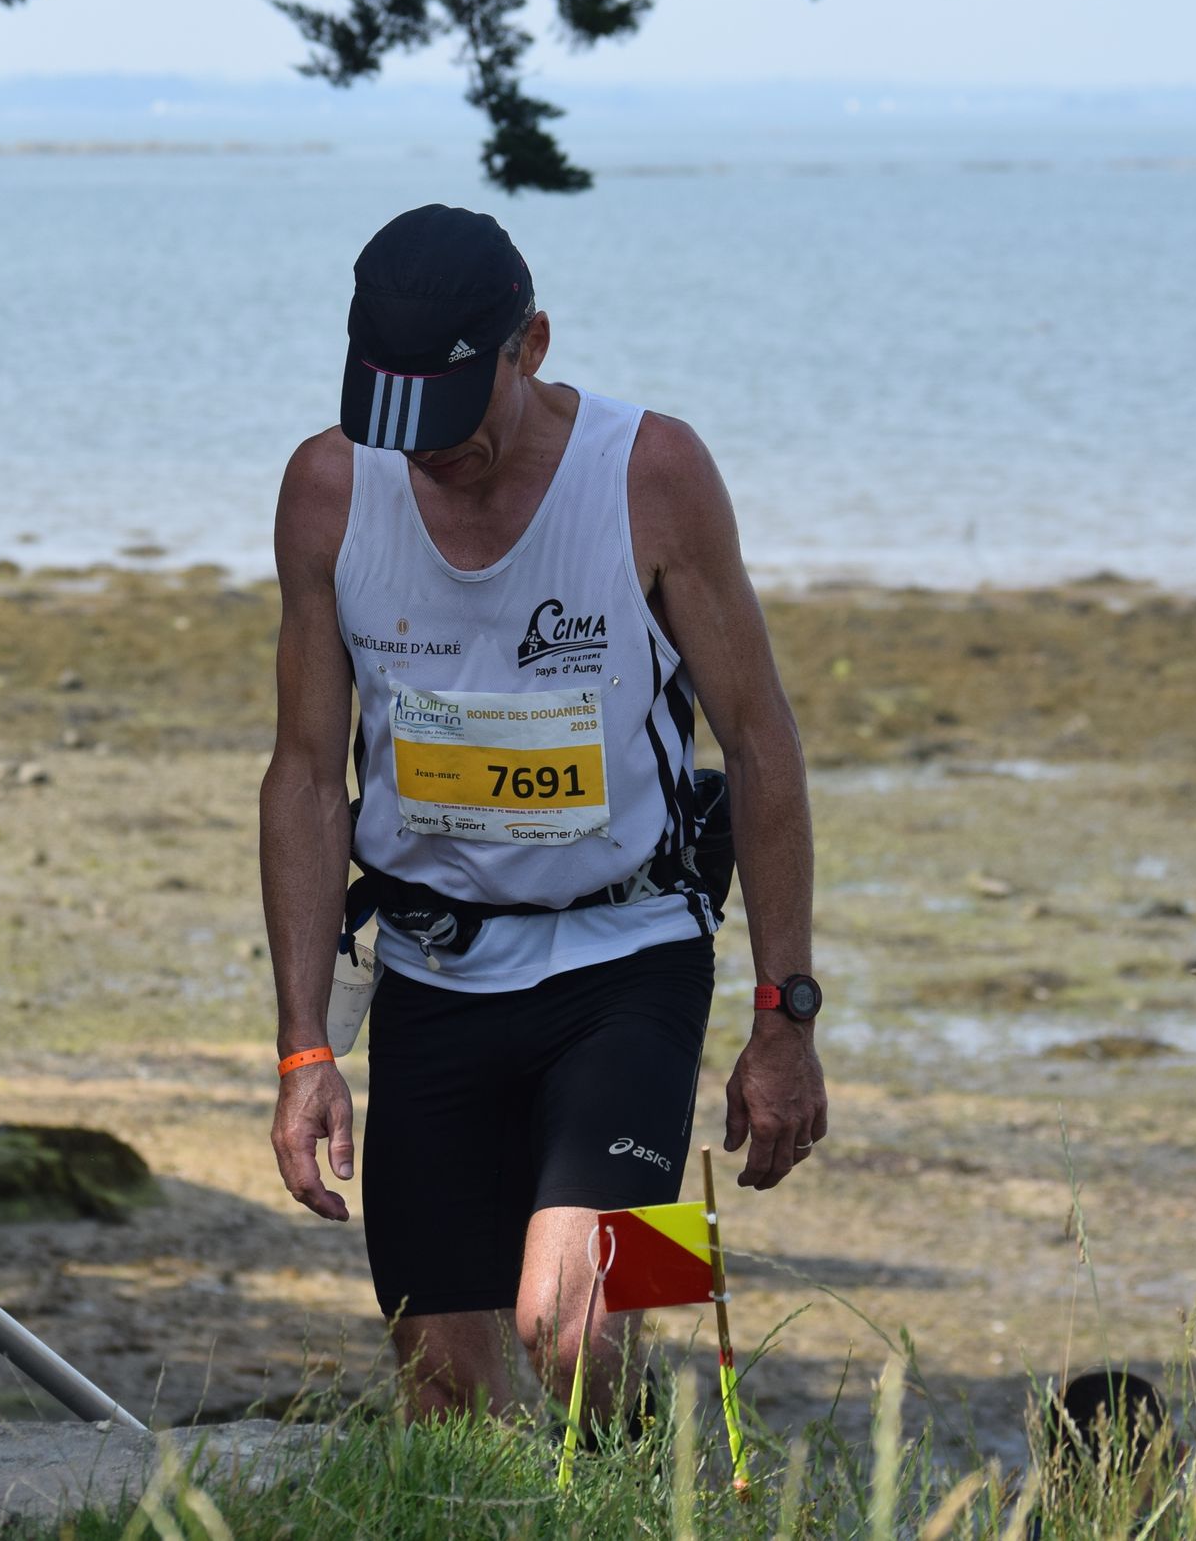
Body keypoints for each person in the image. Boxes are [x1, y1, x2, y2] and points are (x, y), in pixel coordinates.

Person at [259, 203, 828, 1425]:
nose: (428, 452)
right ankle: (592, 1474)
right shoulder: (325, 490)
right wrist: (304, 1048)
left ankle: (642, 1469)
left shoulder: (652, 473)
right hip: (428, 971)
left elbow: (761, 743)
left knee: (575, 1327)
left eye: (452, 419)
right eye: (398, 422)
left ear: (532, 345)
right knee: (440, 1391)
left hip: (631, 958)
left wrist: (785, 1016)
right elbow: (304, 776)